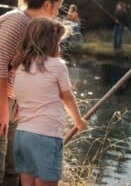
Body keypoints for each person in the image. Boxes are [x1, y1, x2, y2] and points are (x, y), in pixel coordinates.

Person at [0, 0, 66, 186]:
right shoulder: (18, 21)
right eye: (57, 8)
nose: (56, 15)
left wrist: (21, 101)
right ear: (47, 5)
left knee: (13, 168)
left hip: (11, 102)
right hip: (1, 102)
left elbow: (22, 71)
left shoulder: (33, 29)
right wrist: (2, 108)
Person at [12, 18, 87, 186]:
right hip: (45, 137)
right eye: (59, 42)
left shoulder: (21, 66)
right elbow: (67, 98)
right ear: (52, 42)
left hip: (22, 136)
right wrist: (79, 122)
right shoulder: (57, 66)